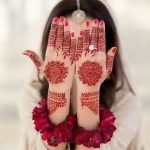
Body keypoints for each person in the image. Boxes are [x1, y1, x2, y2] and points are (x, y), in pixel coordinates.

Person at [18, 0, 142, 150]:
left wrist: (88, 91)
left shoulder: (126, 104)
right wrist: (58, 90)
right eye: (67, 45)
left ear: (109, 52)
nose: (79, 56)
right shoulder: (31, 96)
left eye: (91, 46)